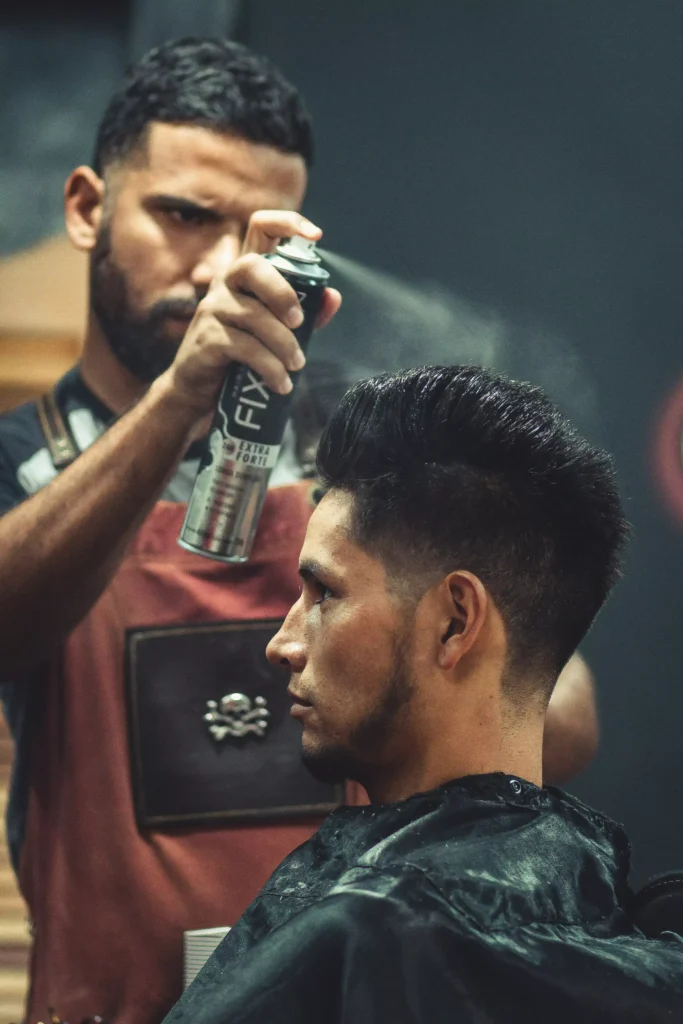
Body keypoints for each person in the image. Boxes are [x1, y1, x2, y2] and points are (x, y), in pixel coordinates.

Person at [0, 38, 595, 1024]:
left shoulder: (358, 470)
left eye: (254, 238)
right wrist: (182, 398)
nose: (218, 268)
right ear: (87, 209)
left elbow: (557, 716)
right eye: (183, 216)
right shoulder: (22, 460)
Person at [164, 365, 683, 1024]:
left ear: (455, 622)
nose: (282, 644)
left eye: (325, 594)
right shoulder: (613, 928)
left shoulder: (366, 937)